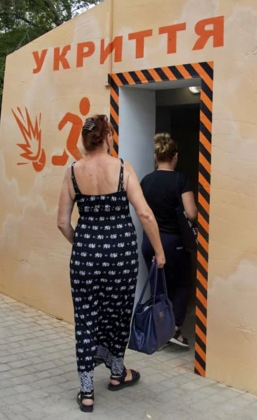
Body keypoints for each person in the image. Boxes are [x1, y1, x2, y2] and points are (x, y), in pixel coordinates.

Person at [57, 114, 165, 413]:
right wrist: (159, 251)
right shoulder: (122, 169)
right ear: (108, 138)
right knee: (117, 314)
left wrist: (83, 244)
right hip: (120, 257)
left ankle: (87, 392)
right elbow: (144, 214)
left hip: (85, 257)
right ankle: (117, 373)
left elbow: (62, 223)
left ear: (85, 140)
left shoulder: (72, 172)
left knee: (86, 317)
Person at [140, 133, 198, 348]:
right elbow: (191, 213)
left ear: (156, 157)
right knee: (182, 284)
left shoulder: (145, 180)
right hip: (175, 242)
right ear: (175, 156)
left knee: (159, 288)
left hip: (150, 243)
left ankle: (159, 330)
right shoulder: (180, 179)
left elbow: (142, 212)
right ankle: (174, 330)